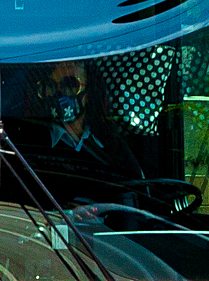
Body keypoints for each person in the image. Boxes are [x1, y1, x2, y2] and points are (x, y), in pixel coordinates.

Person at [13, 59, 150, 199]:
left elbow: (136, 201)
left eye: (71, 84)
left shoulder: (112, 148)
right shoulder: (25, 144)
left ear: (90, 92)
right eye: (50, 85)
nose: (61, 93)